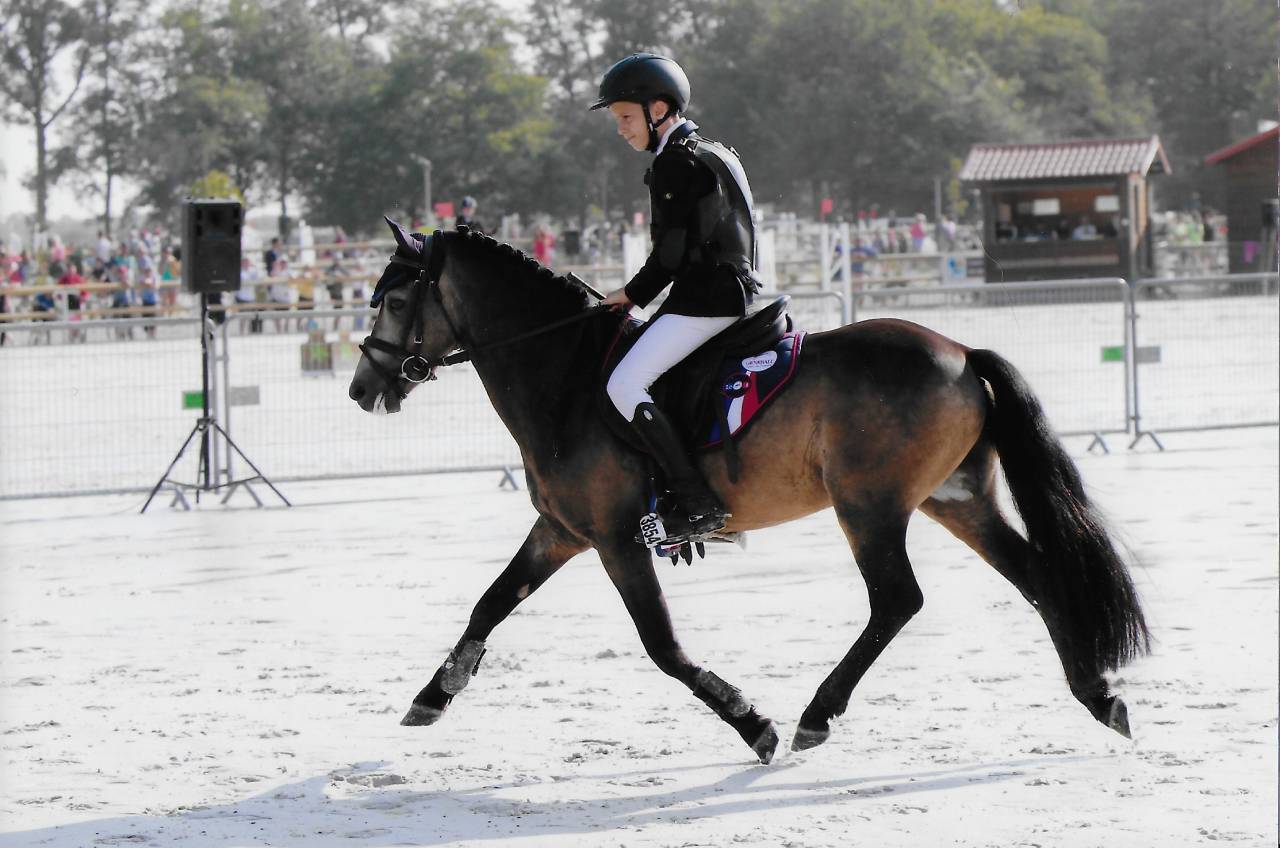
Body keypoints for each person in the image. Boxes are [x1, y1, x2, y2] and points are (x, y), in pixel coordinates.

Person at [592, 52, 761, 540]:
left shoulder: (674, 162)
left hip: (708, 301)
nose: (621, 129)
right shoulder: (711, 148)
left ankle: (694, 502)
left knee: (623, 386)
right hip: (734, 290)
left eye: (626, 117)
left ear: (659, 109)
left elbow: (669, 257)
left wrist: (627, 296)